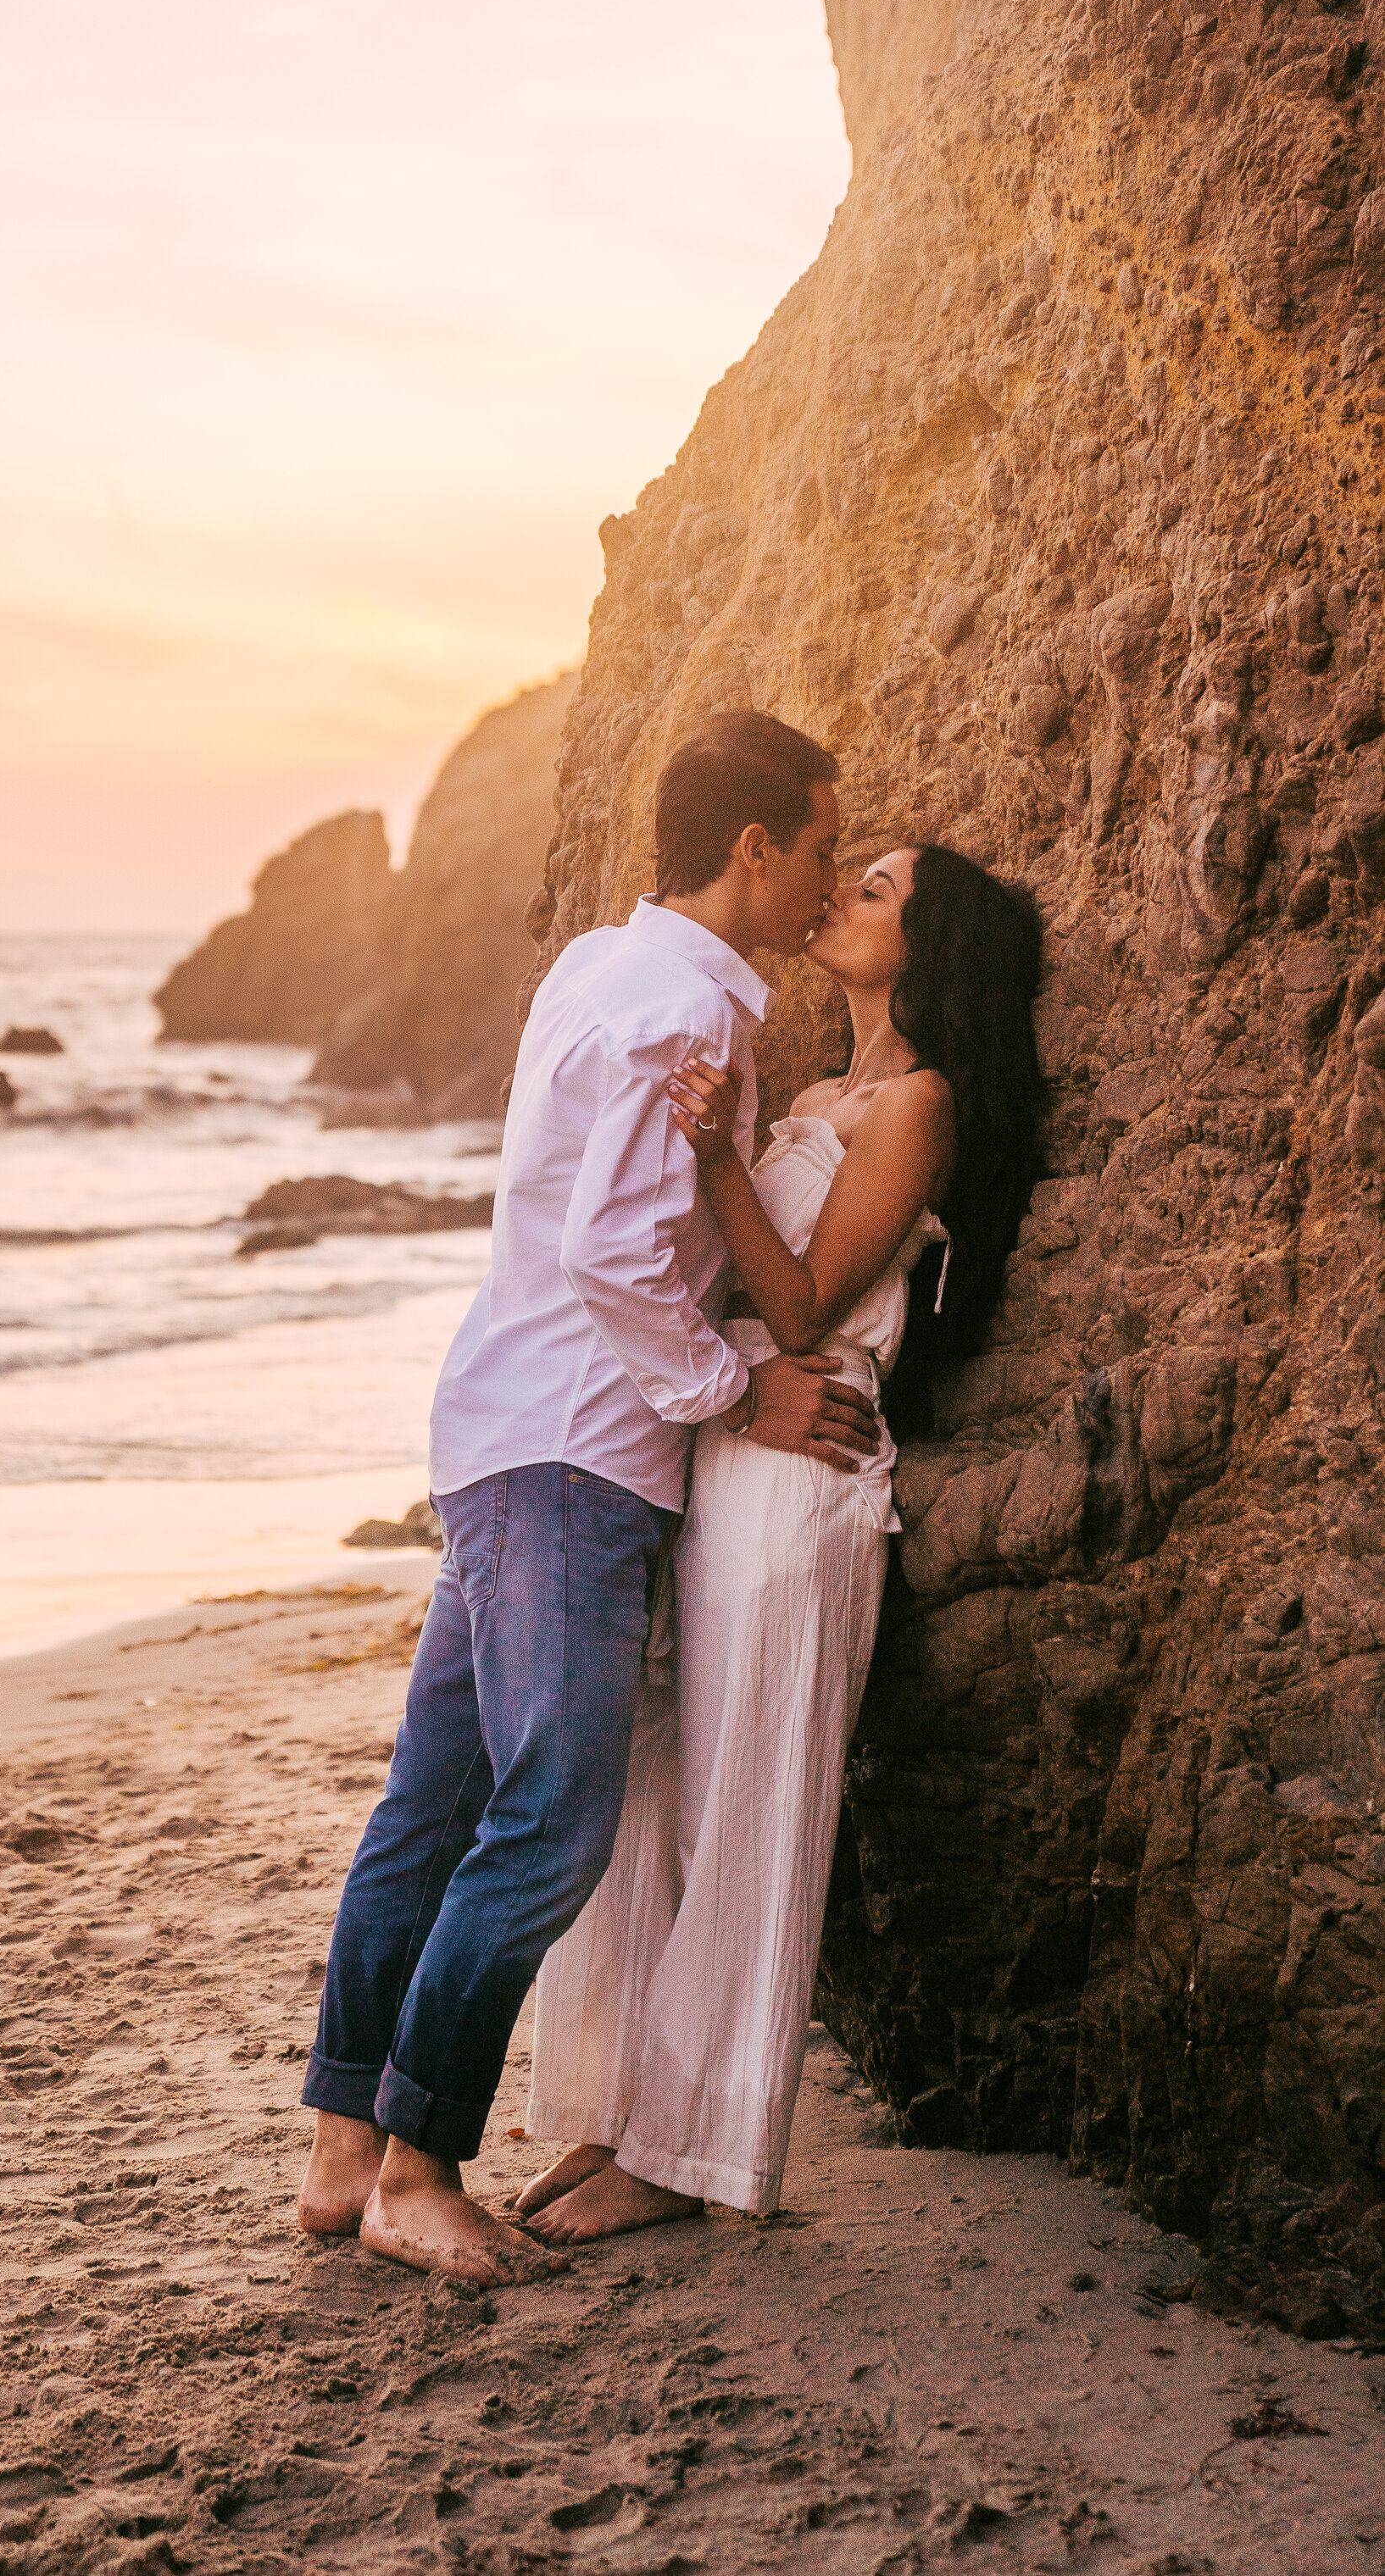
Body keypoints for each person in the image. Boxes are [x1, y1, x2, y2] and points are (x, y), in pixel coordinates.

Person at [294, 710, 887, 2286]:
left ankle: (345, 2144)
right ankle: (420, 2165)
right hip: (571, 1452)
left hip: (500, 1425)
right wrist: (732, 1387)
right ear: (752, 848)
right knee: (550, 1823)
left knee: (431, 1804)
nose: (832, 868)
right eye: (824, 839)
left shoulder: (591, 969)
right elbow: (616, 1253)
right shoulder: (686, 1003)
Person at [509, 839, 1045, 2243]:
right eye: (850, 872)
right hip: (725, 1440)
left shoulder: (920, 1106)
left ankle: (694, 2149)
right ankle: (624, 2106)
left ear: (925, 949)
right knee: (651, 1775)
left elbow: (803, 1305)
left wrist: (714, 1154)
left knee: (755, 1797)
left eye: (877, 892)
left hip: (801, 1454)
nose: (843, 895)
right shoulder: (819, 1091)